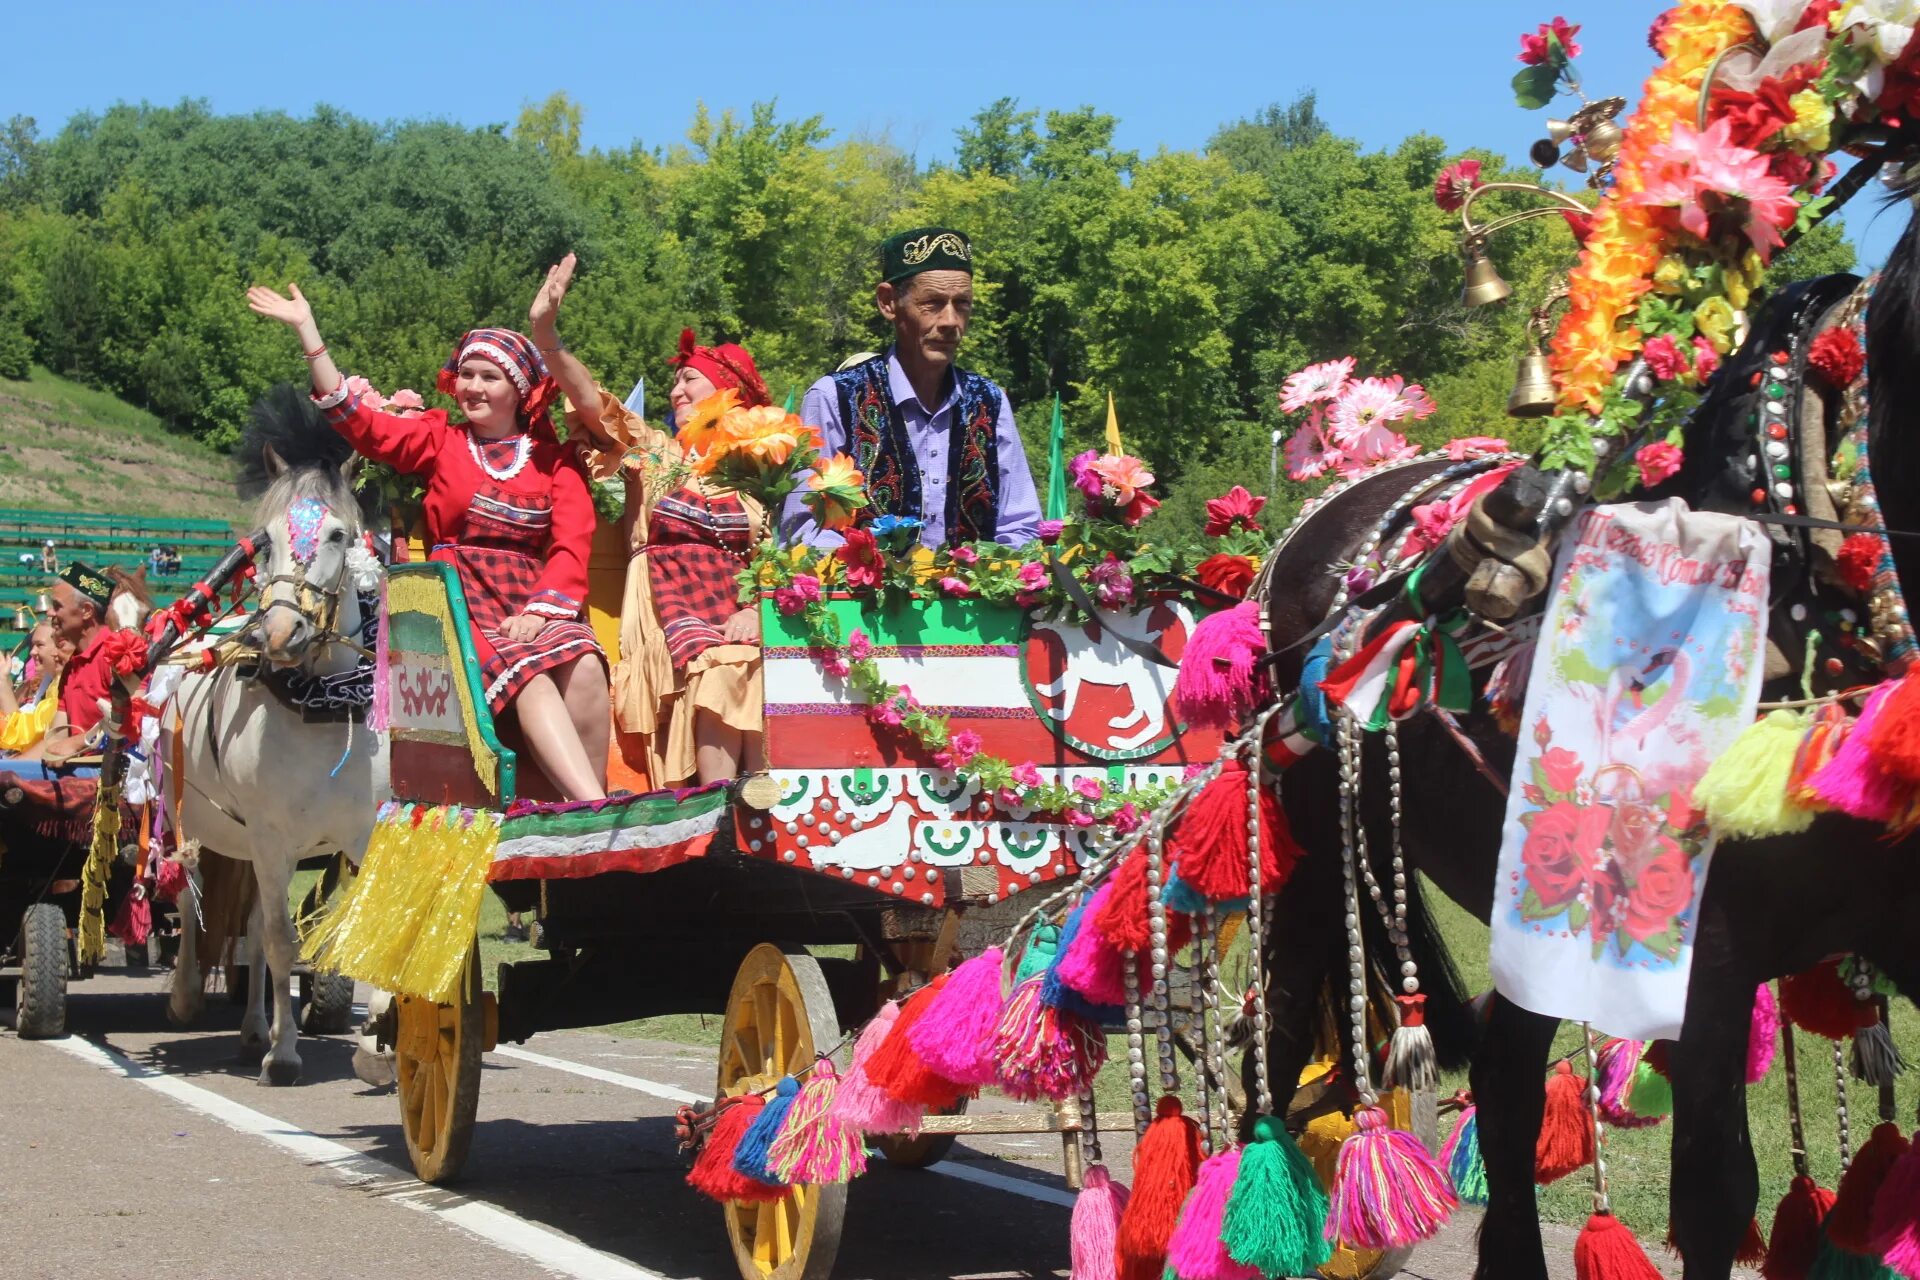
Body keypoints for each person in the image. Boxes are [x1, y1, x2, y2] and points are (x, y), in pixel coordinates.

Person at [246, 261, 612, 802]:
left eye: (489, 377)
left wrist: (542, 611)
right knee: (530, 676)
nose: (472, 387)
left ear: (519, 390)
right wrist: (309, 332)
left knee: (584, 664)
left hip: (534, 599)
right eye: (466, 374)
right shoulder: (441, 440)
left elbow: (570, 545)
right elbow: (362, 423)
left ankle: (587, 803)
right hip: (460, 599)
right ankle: (593, 808)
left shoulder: (555, 461)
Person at [561, 328, 772, 787]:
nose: (676, 391)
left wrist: (759, 610)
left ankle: (760, 798)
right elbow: (591, 404)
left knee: (758, 667)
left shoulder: (762, 468)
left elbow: (779, 558)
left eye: (689, 379)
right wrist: (550, 339)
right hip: (667, 604)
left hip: (741, 607)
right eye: (675, 382)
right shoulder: (658, 453)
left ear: (729, 392)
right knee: (721, 669)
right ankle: (720, 799)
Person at [781, 227, 1040, 549]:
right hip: (861, 583)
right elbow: (804, 532)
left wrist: (984, 569)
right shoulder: (836, 398)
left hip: (972, 584)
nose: (950, 321)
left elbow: (1022, 527)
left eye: (962, 304)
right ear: (888, 302)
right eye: (932, 303)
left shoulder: (989, 402)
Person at [10, 563, 114, 775]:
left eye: (57, 606)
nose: (49, 612)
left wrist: (77, 742)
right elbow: (57, 737)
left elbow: (137, 718)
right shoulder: (71, 666)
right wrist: (11, 768)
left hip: (111, 775)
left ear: (86, 611)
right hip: (79, 773)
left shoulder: (117, 653)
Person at [0, 621, 72, 754]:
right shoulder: (50, 682)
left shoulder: (63, 687)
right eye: (33, 645)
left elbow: (25, 735)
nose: (32, 652)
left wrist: (2, 681)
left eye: (40, 645)